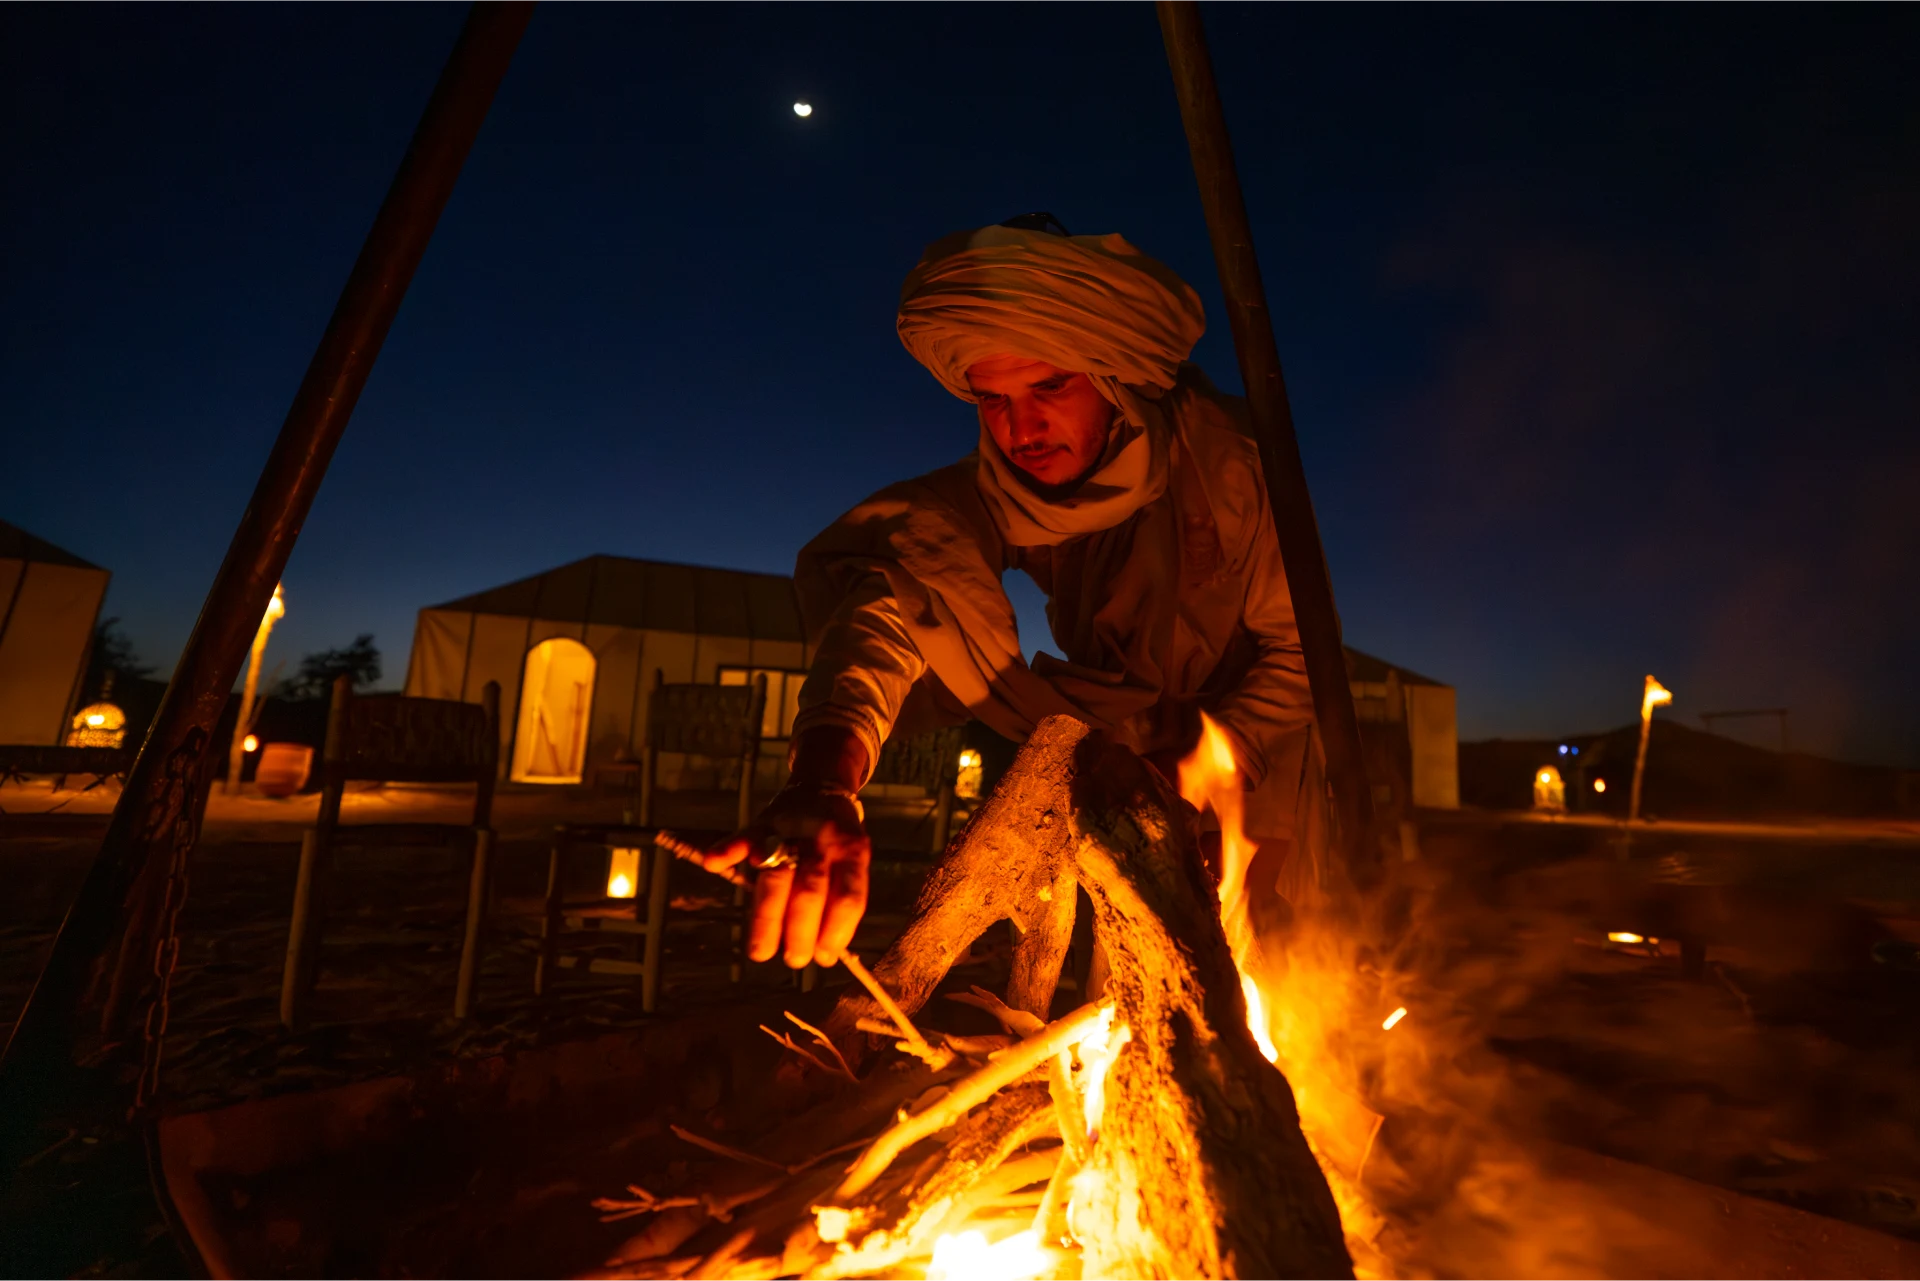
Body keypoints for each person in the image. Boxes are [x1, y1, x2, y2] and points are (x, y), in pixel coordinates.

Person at [704, 213, 1318, 968]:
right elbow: (899, 595)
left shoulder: (1236, 472)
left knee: (1275, 981)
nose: (1020, 427)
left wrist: (1202, 771)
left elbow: (1300, 657)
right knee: (1135, 995)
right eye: (992, 400)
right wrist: (827, 778)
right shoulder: (997, 493)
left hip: (1260, 773)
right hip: (1119, 763)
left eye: (1049, 385)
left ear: (1115, 378)